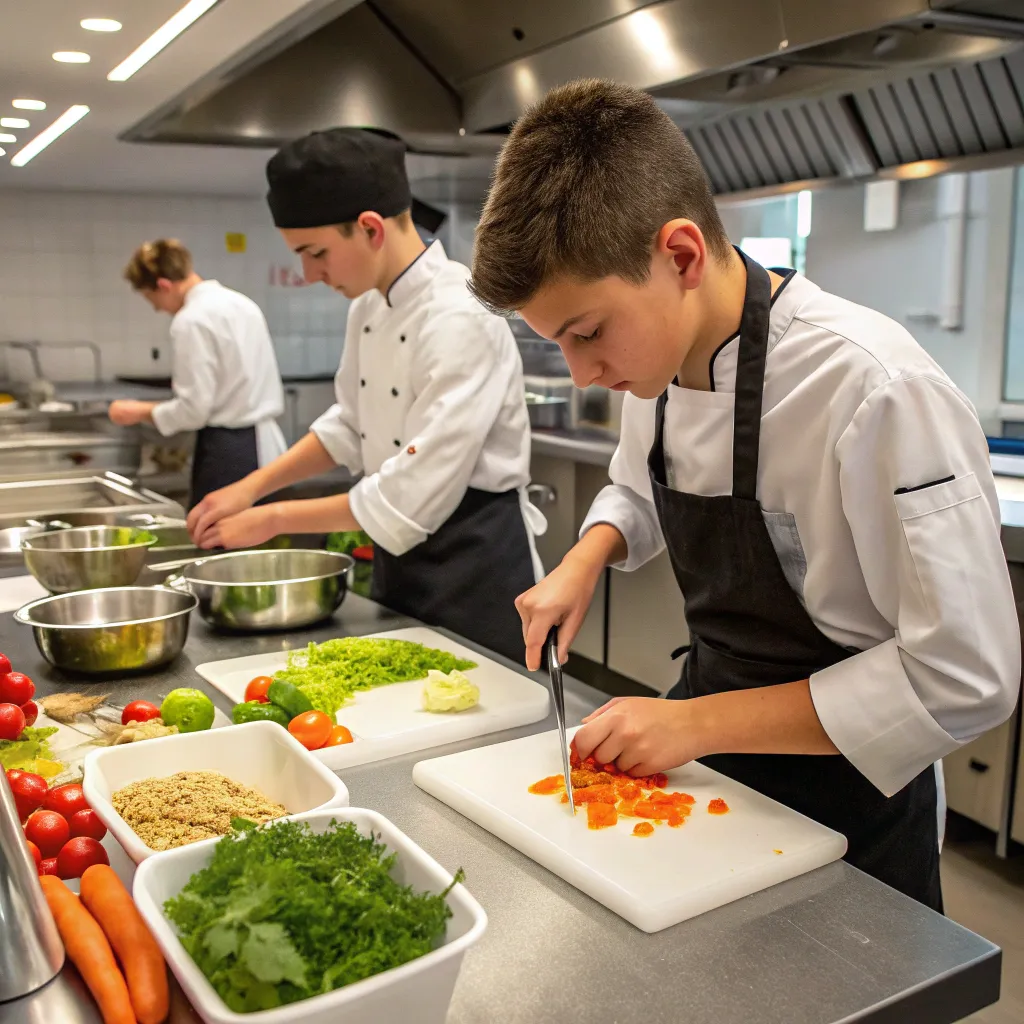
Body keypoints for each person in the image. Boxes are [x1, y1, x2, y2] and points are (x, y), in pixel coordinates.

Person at [468, 78, 1021, 910]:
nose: (583, 372)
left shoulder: (873, 388)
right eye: (558, 344)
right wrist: (585, 558)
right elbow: (636, 484)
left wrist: (695, 723)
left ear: (681, 255)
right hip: (710, 765)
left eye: (587, 334)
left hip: (853, 799)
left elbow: (966, 674)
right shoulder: (655, 362)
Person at [187, 127, 543, 664]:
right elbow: (349, 425)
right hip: (401, 560)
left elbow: (410, 492)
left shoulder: (461, 315)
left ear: (371, 228)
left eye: (315, 253)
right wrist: (252, 487)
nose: (308, 274)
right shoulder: (369, 307)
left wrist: (275, 518)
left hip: (475, 567)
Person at [110, 239, 287, 509]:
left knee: (218, 543)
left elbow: (194, 410)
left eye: (151, 298)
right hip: (270, 449)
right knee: (261, 545)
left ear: (164, 285)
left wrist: (139, 411)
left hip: (231, 454)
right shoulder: (242, 304)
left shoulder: (190, 320)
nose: (157, 308)